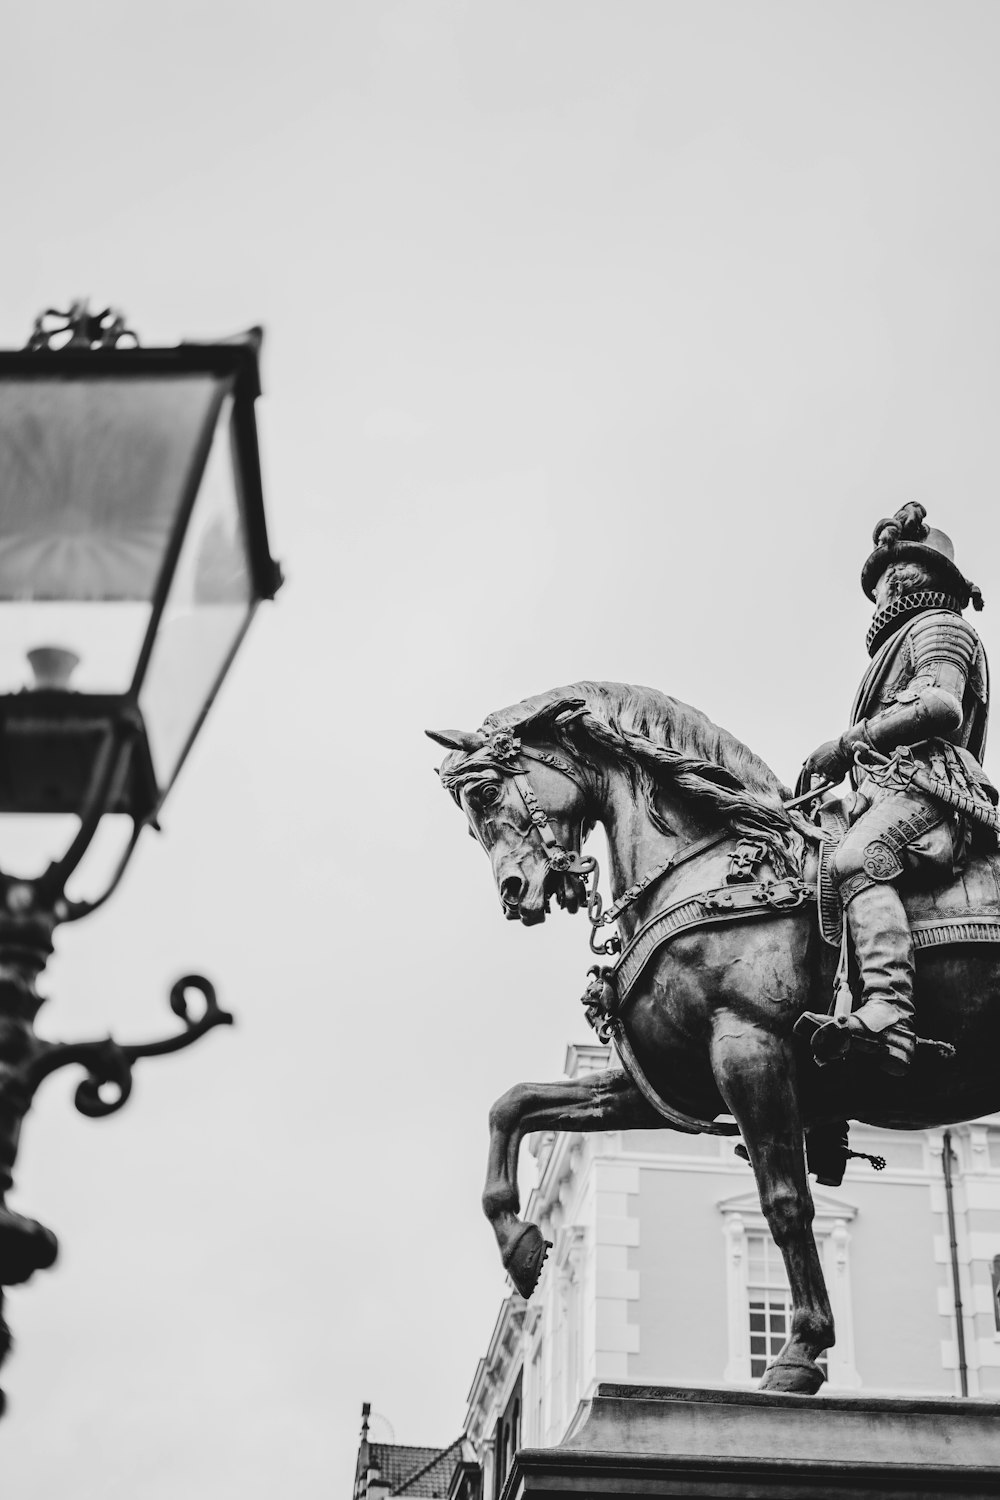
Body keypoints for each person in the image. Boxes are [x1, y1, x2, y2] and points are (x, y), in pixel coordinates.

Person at [796, 503, 994, 1075]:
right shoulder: (899, 642)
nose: (882, 586)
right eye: (882, 577)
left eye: (894, 572)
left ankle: (889, 1010)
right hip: (882, 791)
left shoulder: (940, 629)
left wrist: (846, 741)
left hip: (930, 787)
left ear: (924, 579)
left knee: (859, 857)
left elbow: (940, 705)